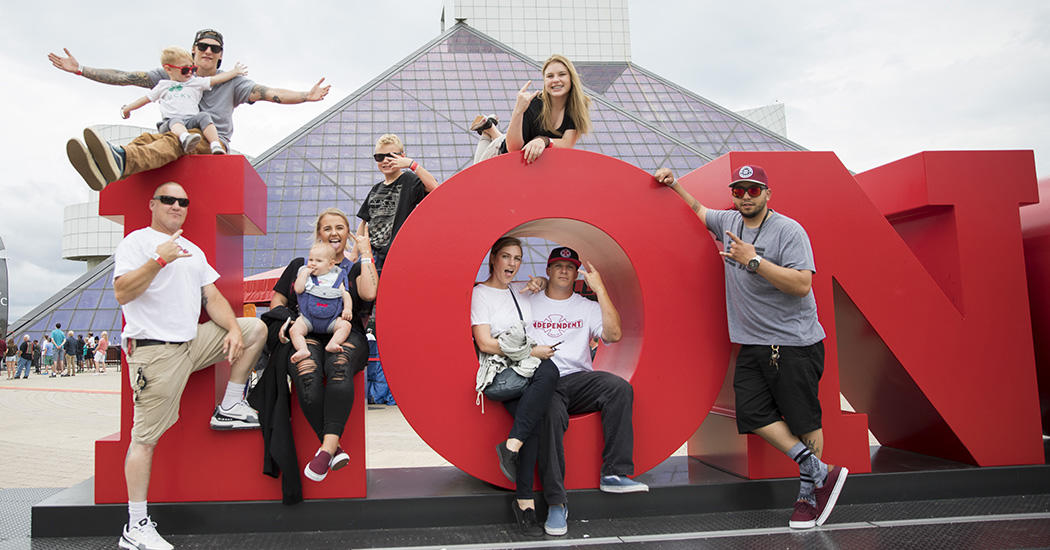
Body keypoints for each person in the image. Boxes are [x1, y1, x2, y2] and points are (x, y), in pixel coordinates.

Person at [652, 165, 848, 530]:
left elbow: (802, 284)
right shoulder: (730, 222)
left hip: (793, 344)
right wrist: (674, 184)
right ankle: (819, 471)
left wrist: (753, 261)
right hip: (753, 343)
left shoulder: (789, 231)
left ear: (768, 195)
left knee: (804, 421)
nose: (745, 197)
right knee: (753, 414)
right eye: (739, 191)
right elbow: (698, 211)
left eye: (753, 191)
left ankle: (810, 494)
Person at [113, 181, 265, 549]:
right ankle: (135, 526)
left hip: (191, 344)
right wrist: (159, 259)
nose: (177, 206)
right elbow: (122, 292)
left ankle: (229, 404)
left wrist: (231, 329)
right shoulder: (136, 243)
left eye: (183, 201)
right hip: (156, 352)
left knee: (254, 328)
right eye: (169, 200)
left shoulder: (193, 250)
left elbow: (211, 295)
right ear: (152, 204)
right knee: (145, 440)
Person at [51, 28, 331, 191]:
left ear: (220, 55)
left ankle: (122, 160)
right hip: (174, 133)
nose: (208, 51)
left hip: (211, 143)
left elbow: (270, 93)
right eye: (202, 46)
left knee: (174, 139)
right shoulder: (172, 74)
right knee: (152, 139)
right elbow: (126, 77)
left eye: (214, 48)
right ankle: (107, 165)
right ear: (193, 51)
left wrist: (306, 96)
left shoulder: (233, 82)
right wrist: (81, 70)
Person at [525, 247, 646, 536]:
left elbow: (614, 335)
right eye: (558, 266)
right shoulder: (528, 300)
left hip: (577, 379)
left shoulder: (587, 306)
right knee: (550, 414)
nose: (564, 271)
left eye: (570, 266)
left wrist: (600, 289)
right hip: (542, 379)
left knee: (618, 388)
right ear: (548, 270)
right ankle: (556, 503)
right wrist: (531, 286)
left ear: (577, 272)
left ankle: (614, 472)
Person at [264, 207, 378, 486]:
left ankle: (325, 450)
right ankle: (332, 450)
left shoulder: (352, 269)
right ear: (319, 233)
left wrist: (365, 253)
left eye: (340, 227)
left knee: (338, 365)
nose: (334, 233)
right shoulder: (300, 265)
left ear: (347, 231)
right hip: (306, 330)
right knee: (307, 370)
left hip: (345, 332)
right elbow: (277, 304)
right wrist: (288, 324)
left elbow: (369, 293)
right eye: (327, 228)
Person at [471, 237, 559, 537]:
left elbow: (543, 286)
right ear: (493, 258)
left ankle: (523, 500)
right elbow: (484, 342)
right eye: (506, 257)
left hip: (524, 372)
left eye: (517, 258)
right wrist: (532, 353)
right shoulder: (479, 294)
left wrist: (540, 283)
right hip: (502, 372)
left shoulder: (520, 292)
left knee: (532, 419)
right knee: (549, 368)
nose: (511, 263)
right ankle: (512, 445)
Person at [121, 47, 248, 156]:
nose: (190, 73)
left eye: (192, 69)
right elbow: (145, 99)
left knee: (204, 116)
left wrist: (234, 72)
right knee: (175, 121)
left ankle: (215, 144)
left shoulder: (194, 82)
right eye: (185, 70)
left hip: (190, 121)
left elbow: (216, 79)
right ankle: (185, 138)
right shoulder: (163, 85)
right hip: (170, 124)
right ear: (168, 69)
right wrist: (127, 109)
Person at [356, 134, 440, 272]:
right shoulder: (375, 189)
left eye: (392, 156)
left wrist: (412, 165)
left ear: (402, 156)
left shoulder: (408, 180)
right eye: (379, 157)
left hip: (395, 255)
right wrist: (356, 252)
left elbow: (435, 188)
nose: (386, 160)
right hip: (372, 255)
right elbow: (364, 222)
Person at [501, 54, 592, 164]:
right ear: (544, 81)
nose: (556, 80)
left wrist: (544, 140)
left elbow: (567, 143)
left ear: (571, 78)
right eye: (550, 76)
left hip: (538, 164)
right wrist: (518, 111)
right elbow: (513, 148)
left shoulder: (578, 105)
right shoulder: (533, 103)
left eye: (562, 74)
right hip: (503, 156)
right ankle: (489, 128)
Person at [288, 241, 354, 363]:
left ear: (330, 265)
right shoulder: (306, 275)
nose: (313, 264)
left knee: (345, 326)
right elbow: (298, 289)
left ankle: (333, 343)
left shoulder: (336, 276)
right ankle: (302, 349)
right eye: (311, 260)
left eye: (318, 261)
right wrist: (304, 274)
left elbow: (345, 294)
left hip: (331, 320)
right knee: (295, 329)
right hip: (308, 319)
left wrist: (348, 309)